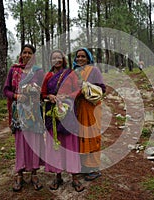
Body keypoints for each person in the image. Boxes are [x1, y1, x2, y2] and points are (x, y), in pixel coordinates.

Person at [41, 49, 84, 192]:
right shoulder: (47, 76)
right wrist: (50, 97)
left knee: (70, 144)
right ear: (50, 60)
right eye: (54, 58)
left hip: (68, 112)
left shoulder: (70, 74)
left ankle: (75, 177)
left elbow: (78, 90)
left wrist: (66, 97)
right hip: (52, 114)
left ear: (63, 59)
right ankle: (58, 176)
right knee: (55, 144)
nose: (57, 60)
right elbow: (43, 94)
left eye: (59, 57)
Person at [3, 44, 45, 192]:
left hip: (34, 113)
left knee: (34, 142)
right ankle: (19, 174)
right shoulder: (14, 70)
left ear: (33, 56)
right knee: (20, 142)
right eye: (24, 52)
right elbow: (6, 90)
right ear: (21, 54)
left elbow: (43, 89)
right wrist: (16, 96)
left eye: (30, 53)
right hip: (19, 112)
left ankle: (34, 173)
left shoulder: (38, 71)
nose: (27, 55)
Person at [72, 47, 106, 181]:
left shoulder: (94, 70)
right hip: (79, 108)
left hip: (92, 108)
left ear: (88, 58)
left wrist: (85, 87)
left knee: (92, 136)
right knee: (81, 137)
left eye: (83, 56)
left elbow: (102, 89)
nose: (80, 59)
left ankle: (94, 168)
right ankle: (84, 167)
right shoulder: (74, 72)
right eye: (78, 56)